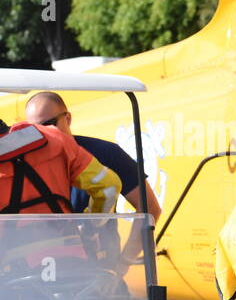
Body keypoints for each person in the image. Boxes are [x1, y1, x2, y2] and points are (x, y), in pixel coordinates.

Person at [25, 92, 162, 220]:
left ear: (68, 118)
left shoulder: (106, 152)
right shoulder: (23, 164)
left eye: (49, 124)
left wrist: (131, 246)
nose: (44, 133)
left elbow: (150, 208)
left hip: (101, 245)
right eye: (35, 129)